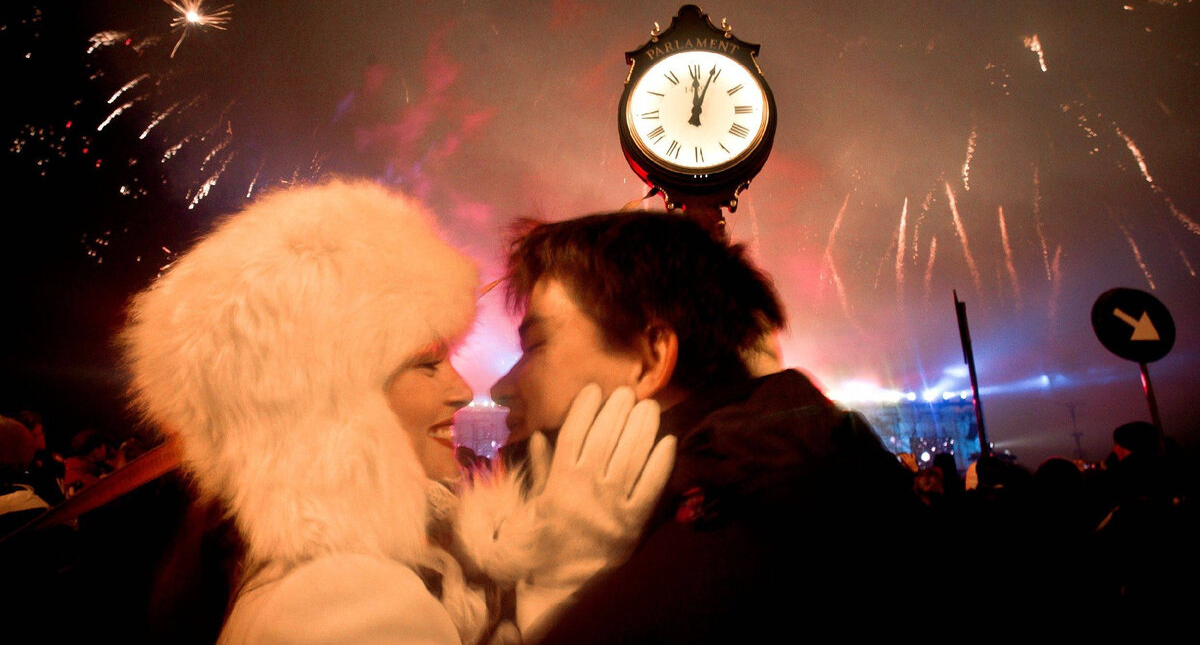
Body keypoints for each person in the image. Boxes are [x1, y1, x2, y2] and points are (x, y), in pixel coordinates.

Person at [122, 179, 672, 645]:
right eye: (427, 365)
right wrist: (565, 589)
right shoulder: (338, 601)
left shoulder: (332, 580)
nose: (463, 391)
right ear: (332, 402)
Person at [490, 210, 920, 643]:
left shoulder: (708, 581)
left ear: (650, 359)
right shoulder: (815, 492)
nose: (501, 386)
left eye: (535, 345)